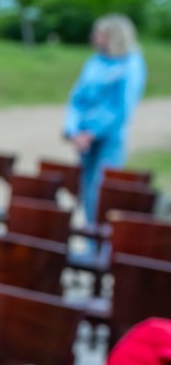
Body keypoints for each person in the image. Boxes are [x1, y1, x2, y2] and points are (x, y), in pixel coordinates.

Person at [63, 13, 147, 221]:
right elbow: (77, 98)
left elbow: (121, 106)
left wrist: (91, 132)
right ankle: (90, 230)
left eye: (99, 34)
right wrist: (73, 129)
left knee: (102, 189)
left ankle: (98, 236)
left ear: (114, 36)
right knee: (85, 185)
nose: (94, 37)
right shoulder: (95, 61)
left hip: (110, 137)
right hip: (84, 136)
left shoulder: (131, 64)